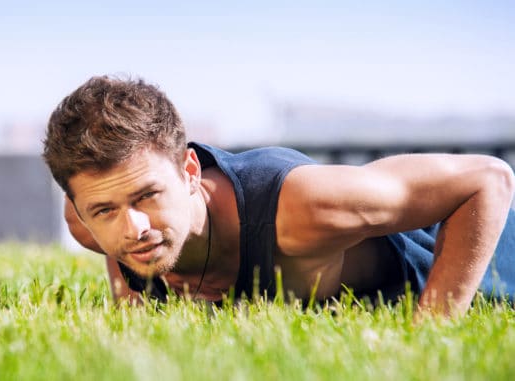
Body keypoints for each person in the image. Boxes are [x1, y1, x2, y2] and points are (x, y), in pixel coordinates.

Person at [43, 75, 515, 317]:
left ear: (189, 172)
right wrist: (132, 300)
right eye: (105, 209)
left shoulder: (301, 208)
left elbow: (487, 179)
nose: (133, 229)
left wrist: (431, 331)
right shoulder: (87, 216)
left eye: (147, 195)